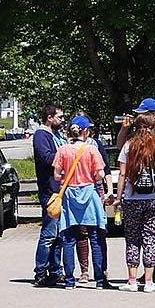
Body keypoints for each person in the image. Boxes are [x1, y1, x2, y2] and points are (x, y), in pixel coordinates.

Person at [113, 114, 155, 292]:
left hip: (132, 199)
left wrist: (119, 197)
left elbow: (122, 174)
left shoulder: (128, 146)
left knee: (132, 239)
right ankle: (148, 282)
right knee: (151, 239)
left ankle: (132, 281)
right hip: (154, 199)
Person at [53, 117, 107, 289]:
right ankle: (100, 280)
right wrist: (91, 176)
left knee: (69, 238)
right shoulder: (91, 150)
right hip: (89, 194)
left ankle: (69, 280)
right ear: (86, 132)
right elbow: (100, 174)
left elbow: (57, 176)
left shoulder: (62, 150)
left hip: (70, 194)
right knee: (95, 237)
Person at [32, 103, 66, 287]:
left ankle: (55, 270)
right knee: (49, 234)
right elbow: (46, 158)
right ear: (49, 117)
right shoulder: (41, 135)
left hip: (61, 189)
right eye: (60, 117)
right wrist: (66, 156)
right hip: (49, 191)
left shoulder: (57, 136)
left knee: (59, 235)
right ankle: (40, 272)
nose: (62, 120)